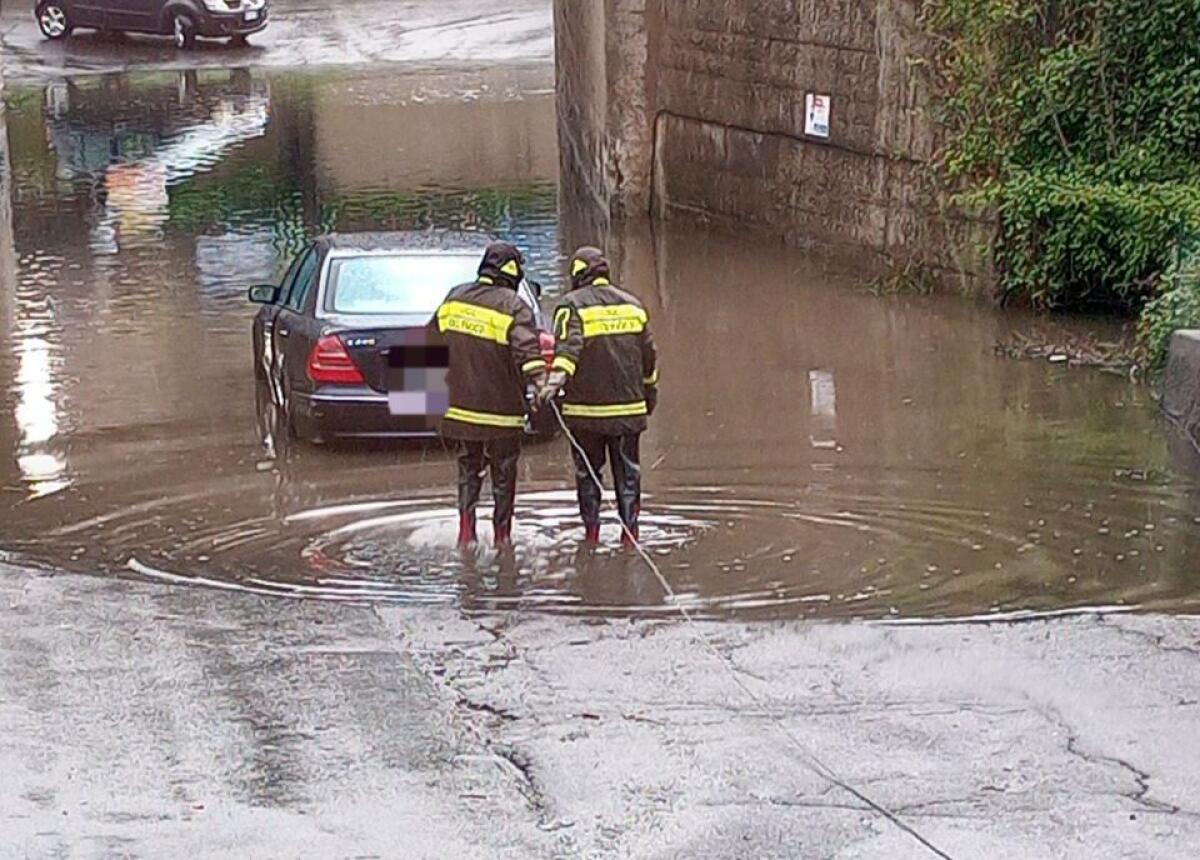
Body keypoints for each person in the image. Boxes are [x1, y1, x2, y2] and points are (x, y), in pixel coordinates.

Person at [538, 246, 658, 547]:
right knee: (628, 476)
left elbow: (567, 352)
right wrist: (649, 394)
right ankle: (630, 536)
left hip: (585, 414)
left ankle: (591, 537)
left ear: (577, 275)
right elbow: (649, 358)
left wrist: (551, 386)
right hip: (629, 411)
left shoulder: (570, 306)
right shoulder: (633, 306)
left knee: (588, 475)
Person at [436, 241, 545, 548]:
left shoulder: (454, 298)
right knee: (504, 472)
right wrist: (541, 386)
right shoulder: (514, 306)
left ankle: (466, 533)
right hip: (501, 413)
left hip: (458, 410)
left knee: (468, 467)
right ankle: (502, 538)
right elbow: (528, 356)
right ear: (513, 272)